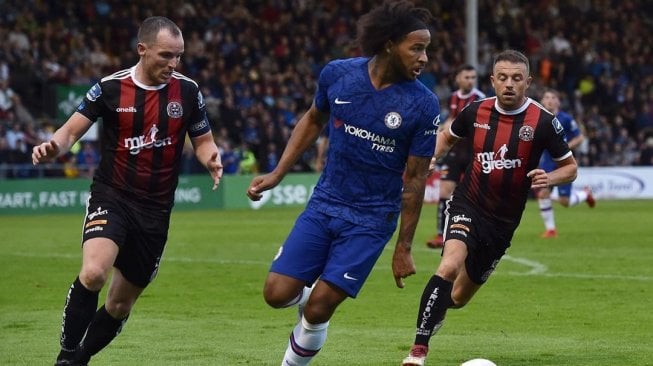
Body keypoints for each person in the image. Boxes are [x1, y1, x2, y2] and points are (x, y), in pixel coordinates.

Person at [246, 1, 439, 365]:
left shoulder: (423, 105)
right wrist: (277, 174)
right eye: (417, 47)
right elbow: (313, 119)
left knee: (318, 310)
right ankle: (312, 301)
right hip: (325, 204)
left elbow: (415, 178)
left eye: (426, 48)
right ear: (388, 44)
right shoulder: (338, 75)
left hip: (371, 218)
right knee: (276, 294)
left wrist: (404, 247)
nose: (425, 58)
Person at [31, 16, 223, 366]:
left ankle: (80, 360)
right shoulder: (110, 88)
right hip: (113, 195)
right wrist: (52, 147)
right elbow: (70, 132)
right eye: (166, 55)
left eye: (178, 56)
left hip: (156, 210)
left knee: (120, 305)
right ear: (142, 49)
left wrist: (212, 158)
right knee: (93, 273)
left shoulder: (188, 91)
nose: (173, 64)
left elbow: (204, 140)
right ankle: (65, 355)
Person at [401, 50, 578, 366]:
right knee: (448, 265)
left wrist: (548, 177)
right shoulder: (475, 111)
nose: (509, 84)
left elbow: (570, 168)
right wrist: (433, 159)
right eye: (503, 78)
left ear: (528, 82)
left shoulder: (544, 122)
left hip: (502, 223)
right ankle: (418, 351)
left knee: (456, 298)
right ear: (493, 80)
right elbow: (447, 137)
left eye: (517, 78)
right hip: (467, 204)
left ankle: (437, 309)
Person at [426, 64, 486, 248]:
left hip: (474, 152)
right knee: (444, 191)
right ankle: (441, 235)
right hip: (454, 151)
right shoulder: (453, 97)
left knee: (476, 195)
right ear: (458, 78)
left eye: (473, 77)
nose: (470, 81)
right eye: (467, 77)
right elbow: (451, 120)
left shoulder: (480, 99)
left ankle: (478, 233)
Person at [536, 88, 595, 238]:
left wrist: (564, 148)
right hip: (547, 161)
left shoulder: (566, 119)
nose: (549, 100)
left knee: (565, 201)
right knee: (543, 193)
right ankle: (551, 230)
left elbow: (580, 137)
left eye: (552, 97)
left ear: (558, 101)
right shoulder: (537, 117)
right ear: (542, 101)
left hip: (564, 162)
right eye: (547, 97)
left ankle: (585, 194)